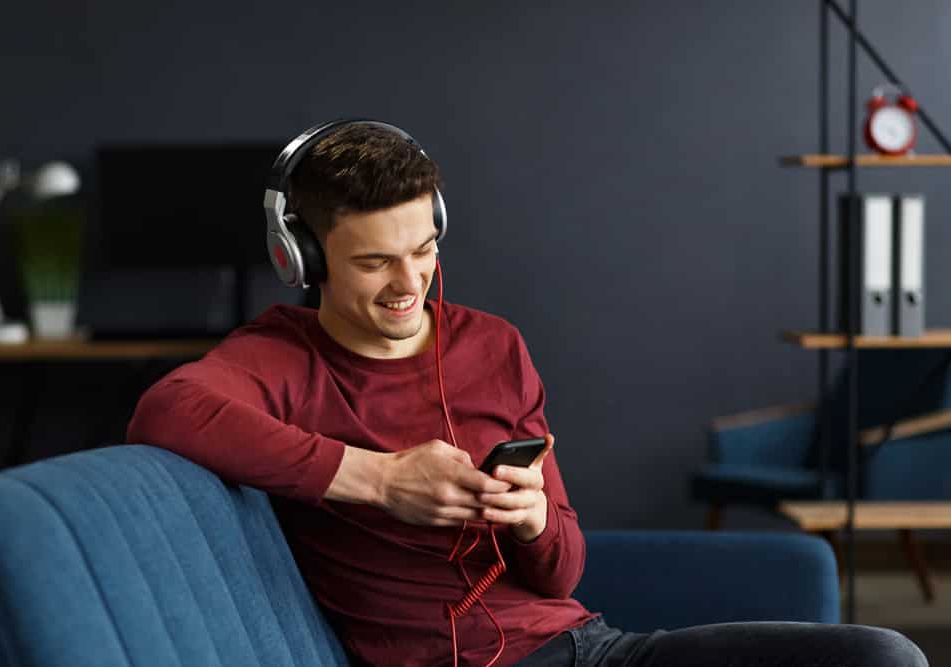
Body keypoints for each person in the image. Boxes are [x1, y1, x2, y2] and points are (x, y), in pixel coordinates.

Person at [127, 121, 928, 667]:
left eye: (425, 248)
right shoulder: (279, 356)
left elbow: (563, 574)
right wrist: (379, 478)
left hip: (590, 649)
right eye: (375, 262)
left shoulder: (492, 343)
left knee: (885, 656)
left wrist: (538, 519)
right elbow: (165, 411)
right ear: (302, 257)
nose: (411, 282)